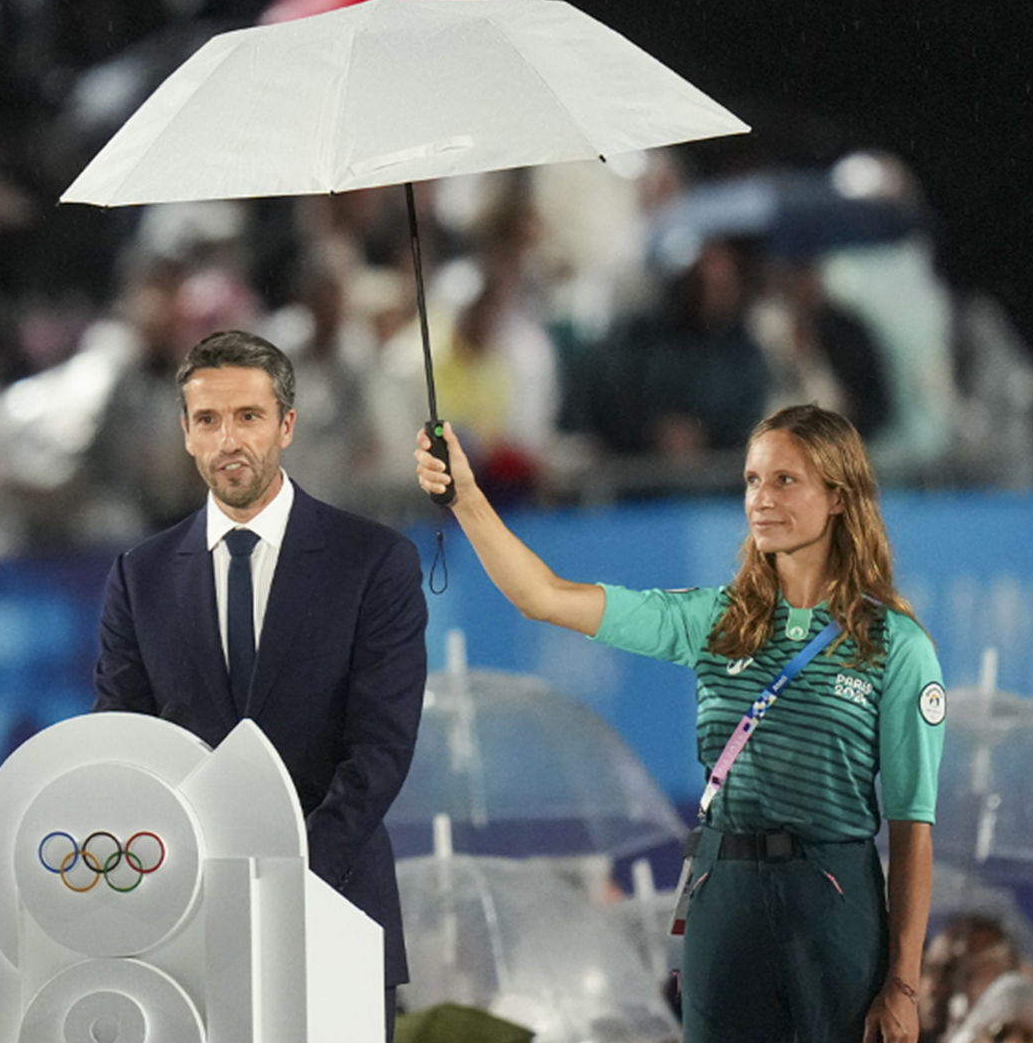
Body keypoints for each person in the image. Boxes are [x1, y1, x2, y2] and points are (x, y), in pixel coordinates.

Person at [415, 403, 945, 1043]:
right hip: (724, 894)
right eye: (752, 480)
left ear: (838, 497)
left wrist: (904, 981)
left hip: (833, 898)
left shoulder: (896, 644)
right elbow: (544, 597)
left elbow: (913, 828)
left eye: (785, 480)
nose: (761, 499)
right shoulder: (713, 620)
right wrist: (468, 498)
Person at [95, 329, 428, 1041]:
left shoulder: (373, 563)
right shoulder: (140, 576)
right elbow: (123, 748)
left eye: (248, 416)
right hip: (186, 933)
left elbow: (379, 752)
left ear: (287, 425)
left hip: (335, 912)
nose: (229, 440)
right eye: (209, 421)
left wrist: (292, 881)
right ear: (185, 433)